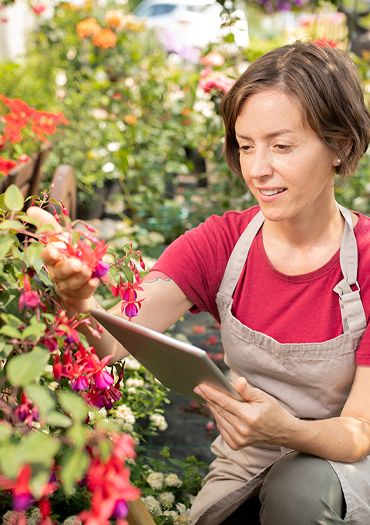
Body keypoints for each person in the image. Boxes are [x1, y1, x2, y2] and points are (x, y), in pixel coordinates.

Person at [29, 41, 370, 525]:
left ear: (341, 146)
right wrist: (77, 296)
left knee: (301, 488)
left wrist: (289, 430)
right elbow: (107, 341)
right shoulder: (220, 244)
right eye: (246, 146)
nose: (257, 169)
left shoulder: (368, 261)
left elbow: (358, 431)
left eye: (281, 146)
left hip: (346, 469)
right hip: (246, 460)